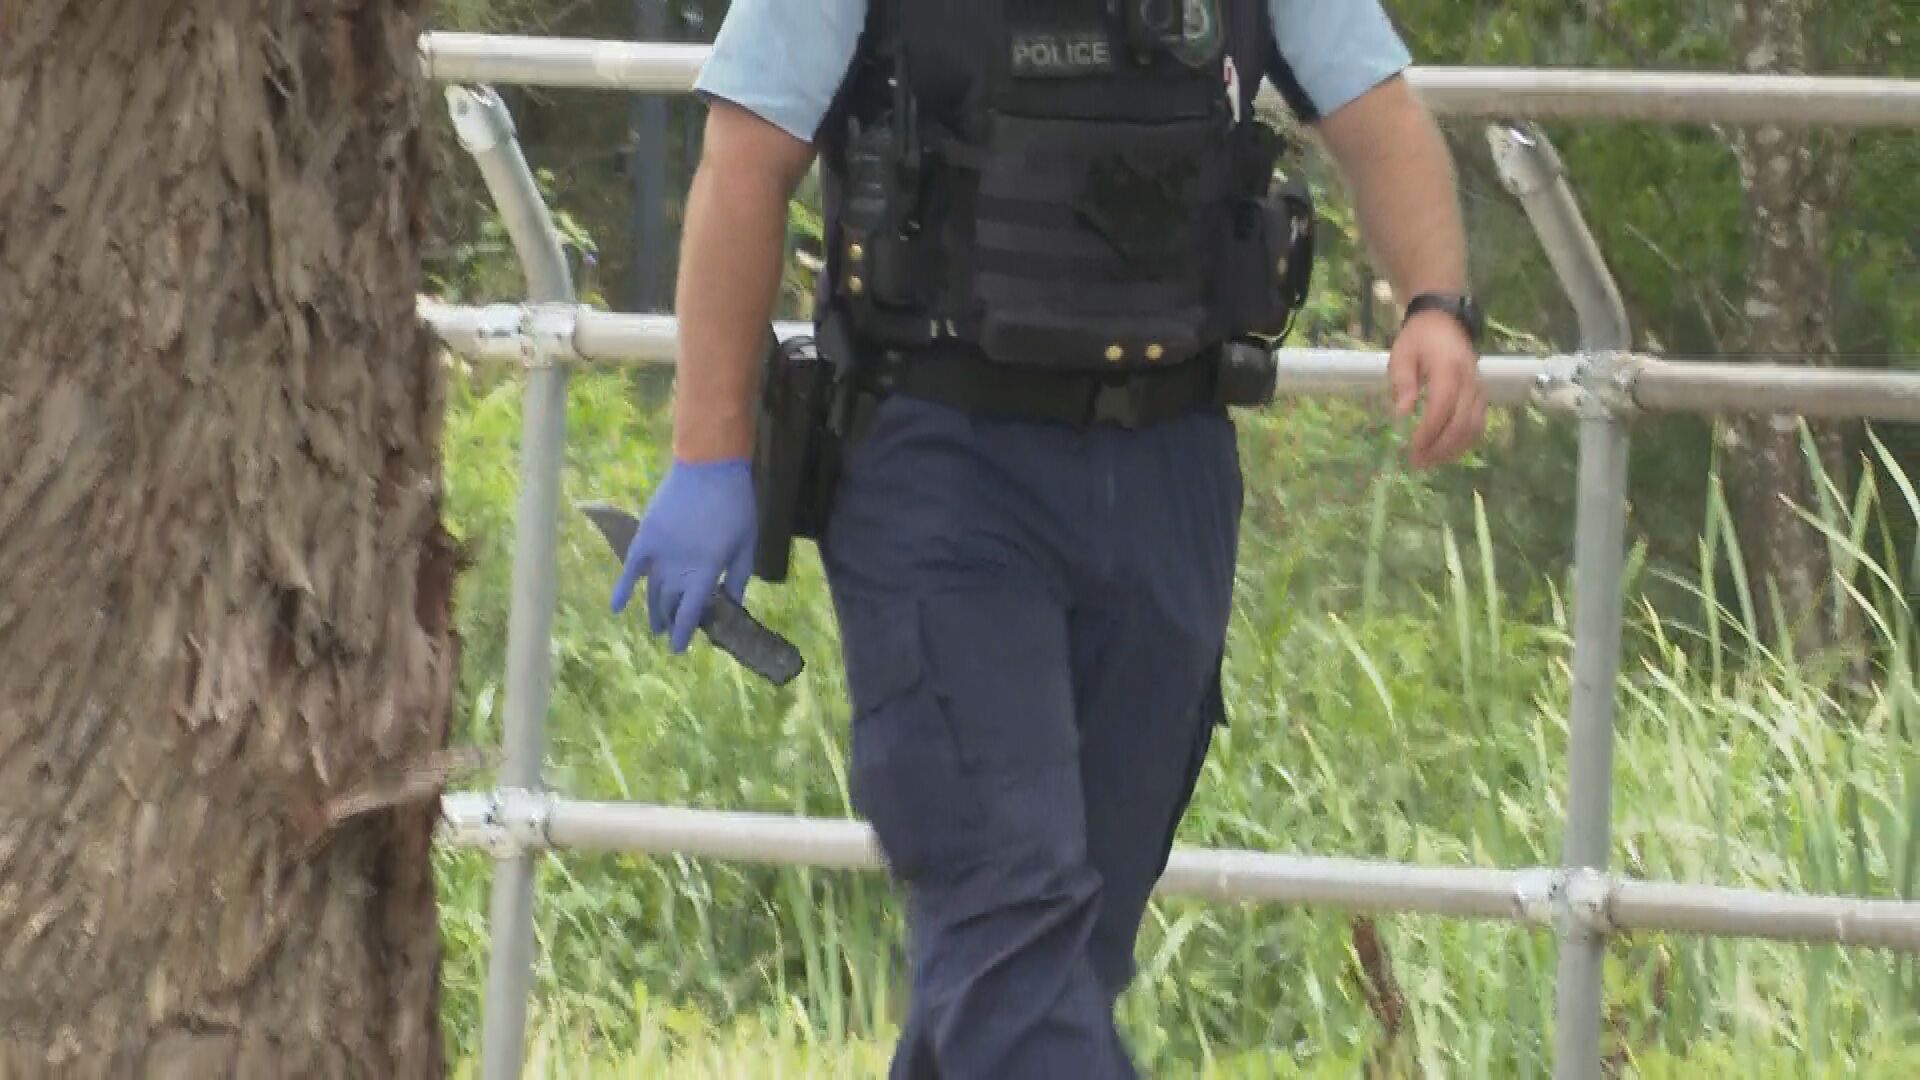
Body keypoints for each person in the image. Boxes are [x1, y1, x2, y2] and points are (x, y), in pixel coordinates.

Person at [612, 1, 1486, 1074]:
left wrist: (1437, 306)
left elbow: (1376, 108)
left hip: (1170, 468)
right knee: (1011, 923)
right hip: (944, 467)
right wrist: (708, 454)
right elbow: (746, 161)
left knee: (1055, 959)